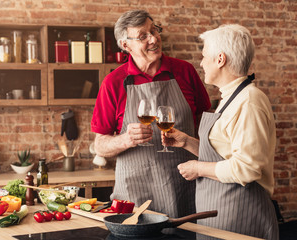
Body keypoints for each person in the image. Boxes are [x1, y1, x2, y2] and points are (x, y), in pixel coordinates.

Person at [162, 24, 279, 239]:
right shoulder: (231, 97)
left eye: (204, 56)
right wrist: (187, 142)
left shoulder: (249, 102)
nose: (201, 63)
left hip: (242, 215)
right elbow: (224, 155)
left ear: (220, 59)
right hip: (221, 215)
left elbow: (247, 168)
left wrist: (198, 168)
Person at [91, 9, 211, 218]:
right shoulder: (113, 83)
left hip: (185, 189)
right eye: (143, 36)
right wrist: (126, 140)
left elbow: (206, 127)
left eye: (154, 31)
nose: (154, 39)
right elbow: (99, 144)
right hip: (135, 198)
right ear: (125, 45)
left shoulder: (185, 71)